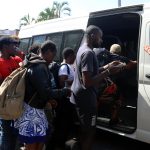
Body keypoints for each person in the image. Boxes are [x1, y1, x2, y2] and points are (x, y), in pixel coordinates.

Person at [71, 25, 122, 150]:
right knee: (90, 131)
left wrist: (107, 66)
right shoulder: (88, 53)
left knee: (85, 129)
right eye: (100, 37)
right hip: (86, 99)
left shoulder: (82, 49)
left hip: (80, 97)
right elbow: (88, 82)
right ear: (92, 35)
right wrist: (109, 72)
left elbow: (90, 72)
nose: (101, 40)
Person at [14, 40, 70, 150]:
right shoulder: (39, 67)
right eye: (53, 55)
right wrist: (64, 91)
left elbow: (39, 91)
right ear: (48, 52)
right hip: (33, 112)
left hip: (35, 110)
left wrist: (49, 99)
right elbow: (45, 92)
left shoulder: (35, 63)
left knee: (38, 143)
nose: (53, 58)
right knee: (32, 145)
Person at [0, 36, 23, 150]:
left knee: (16, 133)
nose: (15, 47)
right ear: (4, 47)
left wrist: (22, 54)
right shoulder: (0, 63)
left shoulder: (17, 59)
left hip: (18, 102)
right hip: (5, 104)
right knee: (6, 134)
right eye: (12, 44)